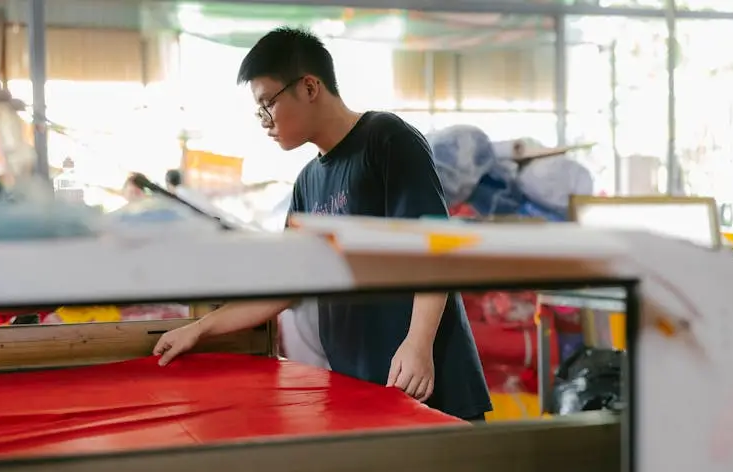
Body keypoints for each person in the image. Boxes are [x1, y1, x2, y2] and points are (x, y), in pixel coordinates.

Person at [153, 27, 492, 421]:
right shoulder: (308, 183)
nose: (264, 120)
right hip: (359, 381)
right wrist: (202, 328)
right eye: (259, 110)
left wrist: (418, 344)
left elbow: (435, 246)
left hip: (422, 373)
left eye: (269, 104)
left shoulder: (387, 140)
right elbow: (288, 284)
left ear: (310, 87)